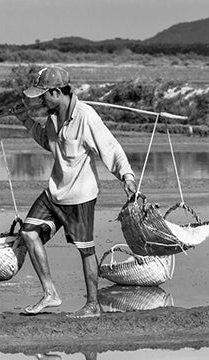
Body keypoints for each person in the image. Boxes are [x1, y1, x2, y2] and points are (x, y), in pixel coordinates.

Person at [14, 66, 138, 318]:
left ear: (57, 92)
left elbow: (110, 148)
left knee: (85, 249)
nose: (40, 100)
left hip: (80, 195)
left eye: (43, 95)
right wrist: (25, 119)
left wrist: (126, 176)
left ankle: (93, 305)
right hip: (54, 192)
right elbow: (49, 142)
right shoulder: (52, 118)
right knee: (28, 232)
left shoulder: (86, 116)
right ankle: (50, 294)